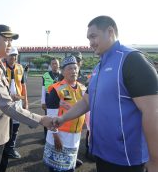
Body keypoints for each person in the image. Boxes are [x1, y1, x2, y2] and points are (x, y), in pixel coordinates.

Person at [53, 15, 158, 172]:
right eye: (88, 38)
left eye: (93, 36)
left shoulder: (132, 60)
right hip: (102, 154)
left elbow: (153, 112)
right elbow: (86, 102)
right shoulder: (98, 68)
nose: (90, 43)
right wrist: (62, 118)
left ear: (110, 31)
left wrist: (155, 160)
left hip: (127, 160)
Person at [0, 24, 53, 172]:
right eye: (7, 40)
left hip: (0, 132)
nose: (11, 45)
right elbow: (6, 105)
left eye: (11, 40)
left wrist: (11, 95)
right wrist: (41, 119)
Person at [43, 56, 86, 172]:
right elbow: (50, 117)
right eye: (70, 69)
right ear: (63, 71)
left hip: (75, 136)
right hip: (60, 136)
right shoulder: (57, 90)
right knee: (57, 168)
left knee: (70, 167)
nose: (74, 71)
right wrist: (56, 137)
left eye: (75, 68)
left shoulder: (83, 88)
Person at [3, 47, 28, 159]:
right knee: (2, 125)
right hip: (4, 101)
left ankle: (10, 148)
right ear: (6, 56)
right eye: (11, 55)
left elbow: (23, 85)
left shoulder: (20, 68)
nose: (13, 57)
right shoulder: (1, 67)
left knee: (16, 125)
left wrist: (25, 100)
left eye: (15, 55)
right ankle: (1, 147)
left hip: (17, 101)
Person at [41, 58, 62, 138]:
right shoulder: (45, 75)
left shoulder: (62, 75)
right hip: (48, 98)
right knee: (48, 118)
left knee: (58, 118)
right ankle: (47, 136)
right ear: (50, 65)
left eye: (56, 63)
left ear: (59, 65)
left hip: (59, 99)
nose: (54, 65)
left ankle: (57, 136)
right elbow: (43, 89)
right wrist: (43, 102)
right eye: (52, 63)